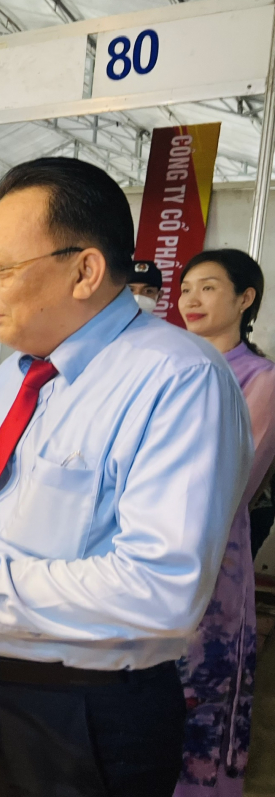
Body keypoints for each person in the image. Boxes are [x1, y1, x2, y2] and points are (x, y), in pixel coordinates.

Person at [0, 157, 252, 797]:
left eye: (1, 269)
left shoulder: (179, 380)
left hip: (74, 718)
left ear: (86, 270)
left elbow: (161, 587)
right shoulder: (17, 373)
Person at [177, 249, 275, 796]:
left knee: (201, 686)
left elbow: (234, 478)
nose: (191, 298)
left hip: (214, 557)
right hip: (150, 547)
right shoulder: (170, 366)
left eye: (208, 287)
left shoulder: (259, 379)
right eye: (186, 287)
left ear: (245, 299)